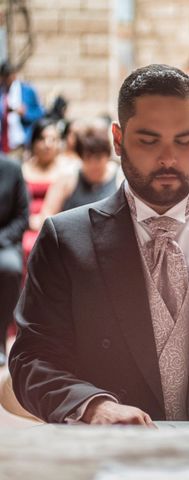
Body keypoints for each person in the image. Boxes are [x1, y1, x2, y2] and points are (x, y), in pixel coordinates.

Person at [9, 64, 189, 424]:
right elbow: (31, 360)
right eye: (148, 141)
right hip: (112, 462)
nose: (168, 159)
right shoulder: (64, 239)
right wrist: (94, 406)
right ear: (118, 139)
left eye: (184, 140)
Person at [33, 127, 119, 229]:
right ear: (80, 157)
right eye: (88, 157)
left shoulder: (119, 178)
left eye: (98, 158)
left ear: (107, 156)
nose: (93, 164)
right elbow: (47, 215)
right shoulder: (67, 178)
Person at [21, 118, 72, 260]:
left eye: (53, 140)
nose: (47, 145)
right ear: (34, 142)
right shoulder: (21, 169)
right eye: (42, 139)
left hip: (53, 227)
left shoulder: (66, 171)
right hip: (23, 224)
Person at [0, 155, 29, 366]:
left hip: (4, 240)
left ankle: (0, 336)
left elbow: (22, 217)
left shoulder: (12, 168)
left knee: (10, 268)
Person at [0, 62, 45, 157]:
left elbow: (40, 113)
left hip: (21, 145)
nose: (6, 80)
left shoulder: (27, 91)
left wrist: (25, 113)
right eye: (4, 76)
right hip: (2, 146)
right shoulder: (2, 92)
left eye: (8, 76)